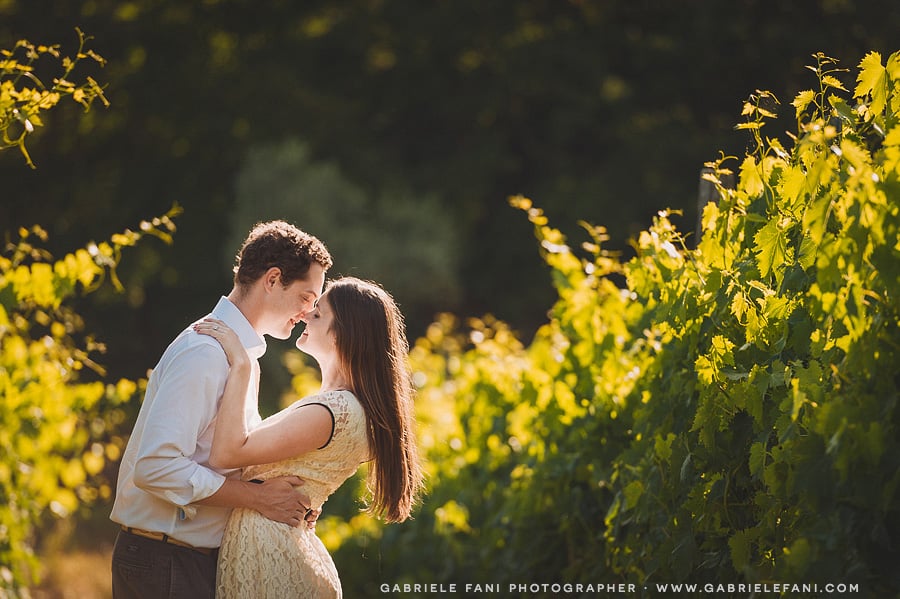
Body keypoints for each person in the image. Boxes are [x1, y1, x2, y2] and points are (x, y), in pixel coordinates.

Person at [110, 220, 333, 599]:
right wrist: (257, 498)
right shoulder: (206, 352)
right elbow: (156, 466)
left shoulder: (241, 357)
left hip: (187, 561)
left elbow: (231, 458)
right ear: (273, 279)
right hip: (164, 562)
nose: (307, 313)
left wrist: (290, 497)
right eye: (306, 297)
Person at [192, 276, 424, 599]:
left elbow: (225, 454)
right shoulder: (344, 407)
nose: (305, 315)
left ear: (344, 333)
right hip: (275, 546)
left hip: (271, 555)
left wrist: (241, 365)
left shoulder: (332, 411)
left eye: (318, 313)